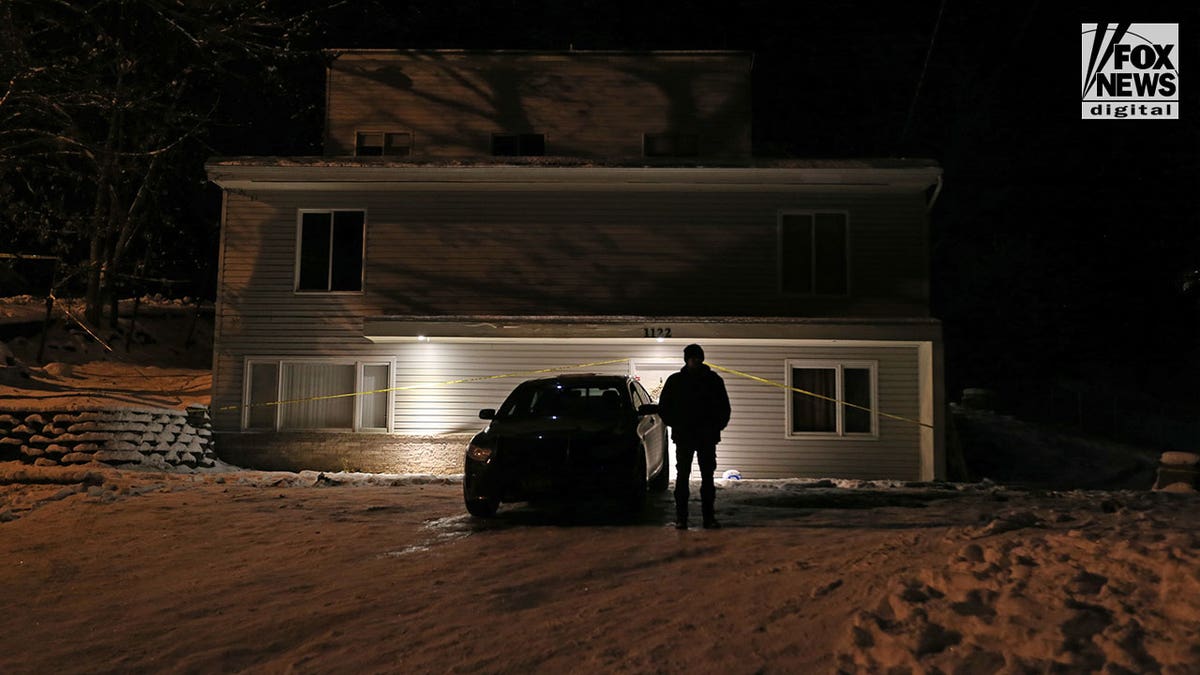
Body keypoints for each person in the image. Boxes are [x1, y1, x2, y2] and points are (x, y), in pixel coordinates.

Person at [658, 343, 731, 529]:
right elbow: (664, 407)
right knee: (682, 477)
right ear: (686, 359)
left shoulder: (713, 380)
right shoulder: (676, 381)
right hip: (685, 436)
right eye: (692, 358)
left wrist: (715, 427)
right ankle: (681, 518)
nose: (695, 361)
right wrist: (676, 423)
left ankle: (709, 518)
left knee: (707, 478)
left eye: (698, 357)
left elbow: (724, 408)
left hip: (706, 437)